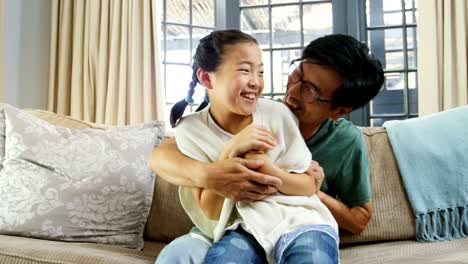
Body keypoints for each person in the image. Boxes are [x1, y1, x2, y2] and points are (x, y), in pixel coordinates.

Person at [151, 33, 384, 263]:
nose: (292, 92)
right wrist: (218, 168)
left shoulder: (342, 140)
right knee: (178, 255)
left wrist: (308, 188)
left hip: (295, 223)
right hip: (229, 226)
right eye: (297, 73)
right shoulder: (252, 106)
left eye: (311, 91)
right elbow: (162, 155)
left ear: (339, 111)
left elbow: (359, 217)